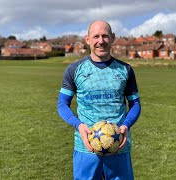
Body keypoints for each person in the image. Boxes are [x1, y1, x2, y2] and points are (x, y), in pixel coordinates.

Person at [57, 20, 141, 179]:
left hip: (119, 146)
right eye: (96, 36)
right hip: (86, 147)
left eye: (105, 36)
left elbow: (135, 104)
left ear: (113, 38)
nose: (100, 41)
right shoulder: (74, 69)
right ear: (87, 39)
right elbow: (62, 104)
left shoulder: (125, 69)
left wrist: (126, 125)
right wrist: (79, 125)